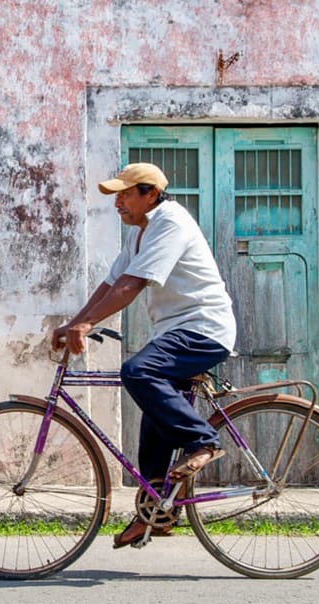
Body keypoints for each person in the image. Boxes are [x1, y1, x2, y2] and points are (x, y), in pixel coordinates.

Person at [50, 162, 237, 549]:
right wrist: (75, 323)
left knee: (137, 372)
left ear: (150, 194)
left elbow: (132, 286)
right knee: (154, 410)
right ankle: (156, 507)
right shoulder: (140, 234)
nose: (117, 202)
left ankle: (204, 441)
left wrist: (84, 326)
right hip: (176, 331)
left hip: (203, 330)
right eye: (116, 195)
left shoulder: (170, 222)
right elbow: (110, 285)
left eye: (124, 193)